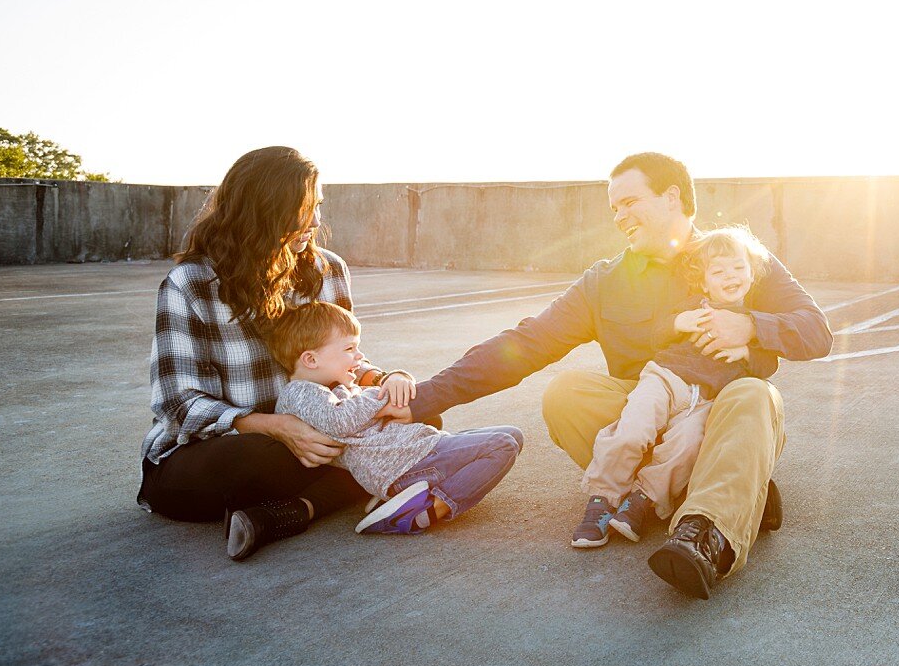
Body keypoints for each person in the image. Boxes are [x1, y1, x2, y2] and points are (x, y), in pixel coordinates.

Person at [401, 152, 833, 599]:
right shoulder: (604, 281)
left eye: (629, 202)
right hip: (641, 414)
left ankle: (705, 534)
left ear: (672, 197)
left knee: (754, 395)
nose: (620, 216)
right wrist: (424, 399)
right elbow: (525, 344)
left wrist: (750, 325)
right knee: (567, 393)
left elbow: (818, 332)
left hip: (715, 411)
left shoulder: (736, 260)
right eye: (614, 209)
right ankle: (725, 485)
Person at [137, 146, 418, 561]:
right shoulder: (190, 283)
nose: (315, 221)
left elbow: (344, 359)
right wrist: (275, 426)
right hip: (218, 453)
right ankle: (324, 492)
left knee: (414, 413)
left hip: (313, 436)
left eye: (317, 206)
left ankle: (290, 511)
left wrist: (384, 381)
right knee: (262, 455)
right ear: (262, 210)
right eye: (302, 209)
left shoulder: (327, 270)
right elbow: (178, 403)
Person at [573, 225, 776, 549]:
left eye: (739, 268)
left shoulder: (753, 321)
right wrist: (680, 322)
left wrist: (746, 351)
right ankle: (603, 497)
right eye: (719, 270)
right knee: (633, 429)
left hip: (706, 400)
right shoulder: (694, 305)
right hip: (666, 379)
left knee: (686, 445)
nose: (731, 276)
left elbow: (769, 364)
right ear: (704, 279)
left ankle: (641, 500)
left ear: (752, 273)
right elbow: (658, 333)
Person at [271, 300, 523, 537]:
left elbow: (353, 411)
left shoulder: (331, 387)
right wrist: (382, 397)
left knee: (513, 435)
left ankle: (405, 499)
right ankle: (426, 509)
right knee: (503, 445)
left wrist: (386, 384)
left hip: (415, 451)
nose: (359, 357)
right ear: (311, 359)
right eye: (349, 349)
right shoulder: (300, 393)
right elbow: (339, 421)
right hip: (404, 463)